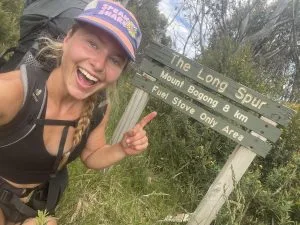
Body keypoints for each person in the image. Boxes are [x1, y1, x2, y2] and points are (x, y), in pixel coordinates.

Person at [0, 0, 157, 224]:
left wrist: (121, 148)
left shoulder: (99, 108)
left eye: (115, 59)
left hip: (31, 208)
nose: (99, 64)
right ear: (68, 37)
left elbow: (93, 155)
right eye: (92, 44)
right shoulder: (15, 91)